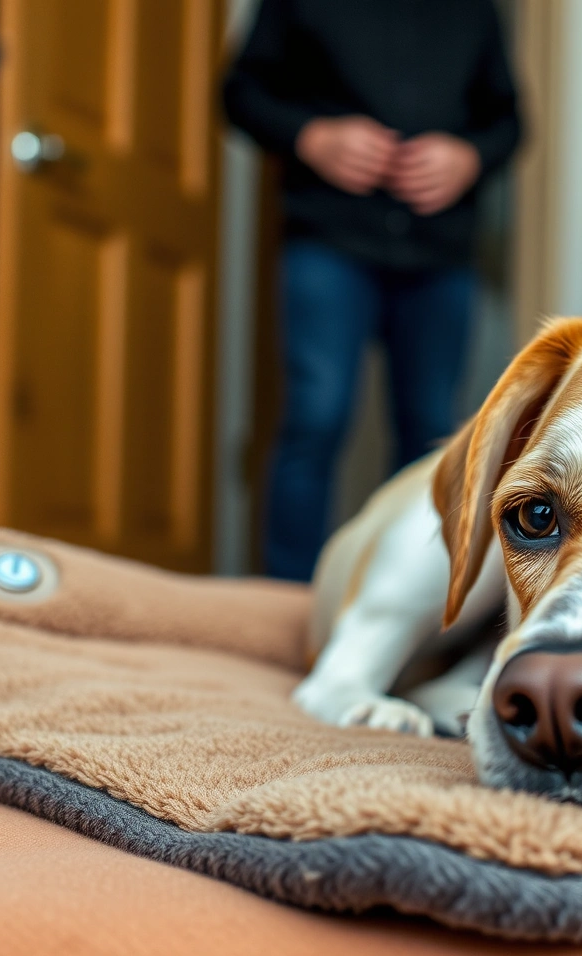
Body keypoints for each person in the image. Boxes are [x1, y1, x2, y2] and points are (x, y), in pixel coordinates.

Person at [223, 0, 522, 580]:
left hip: (441, 252)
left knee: (433, 431)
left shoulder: (475, 10)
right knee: (316, 417)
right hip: (328, 240)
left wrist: (469, 156)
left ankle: (410, 599)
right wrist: (310, 136)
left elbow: (509, 120)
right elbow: (241, 91)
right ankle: (284, 600)